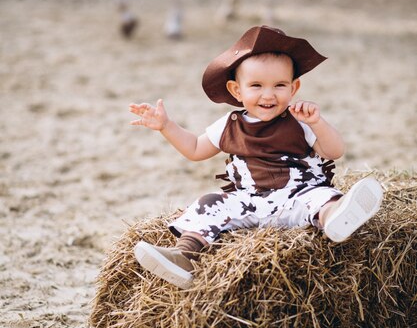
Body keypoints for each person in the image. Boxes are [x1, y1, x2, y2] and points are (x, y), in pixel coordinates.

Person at [129, 25, 383, 289]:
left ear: (294, 87)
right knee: (209, 203)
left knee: (322, 198)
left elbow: (334, 151)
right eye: (256, 85)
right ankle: (184, 257)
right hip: (250, 203)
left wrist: (318, 123)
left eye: (280, 85)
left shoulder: (300, 119)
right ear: (236, 90)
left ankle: (335, 219)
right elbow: (194, 149)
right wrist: (166, 126)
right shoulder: (229, 124)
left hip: (298, 197)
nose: (268, 94)